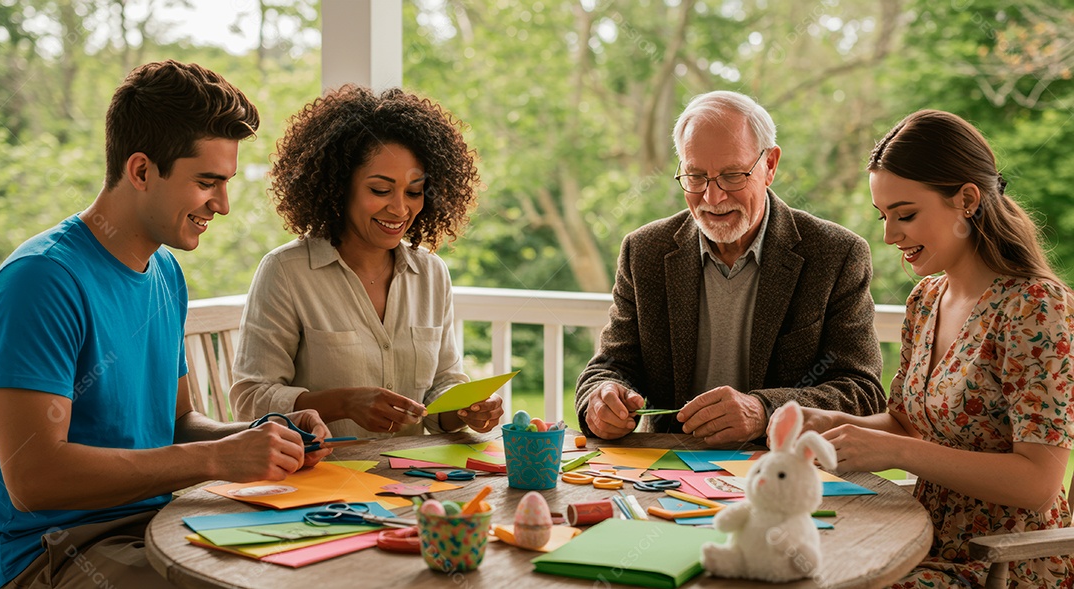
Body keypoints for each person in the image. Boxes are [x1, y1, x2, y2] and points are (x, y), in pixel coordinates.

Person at [0, 60, 333, 588]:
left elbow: (178, 424)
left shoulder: (166, 273)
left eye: (225, 183)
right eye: (207, 182)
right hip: (54, 553)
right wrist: (215, 459)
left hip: (160, 525)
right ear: (141, 171)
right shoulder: (42, 280)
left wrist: (265, 436)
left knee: (324, 558)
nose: (222, 205)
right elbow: (33, 480)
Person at [800, 109, 1074, 588]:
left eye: (905, 215)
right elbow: (909, 423)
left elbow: (1038, 483)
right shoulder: (926, 299)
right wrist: (834, 424)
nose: (889, 235)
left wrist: (896, 451)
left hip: (1004, 564)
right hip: (919, 540)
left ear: (967, 200)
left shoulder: (1035, 307)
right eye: (883, 216)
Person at [576, 90, 885, 446]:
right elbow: (610, 366)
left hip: (785, 467)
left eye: (732, 175)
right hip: (667, 468)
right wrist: (601, 399)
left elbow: (862, 392)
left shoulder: (836, 254)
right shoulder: (645, 251)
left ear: (770, 165)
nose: (713, 198)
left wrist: (764, 411)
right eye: (695, 177)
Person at [229, 85, 502, 438]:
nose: (400, 209)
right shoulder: (286, 271)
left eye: (414, 191)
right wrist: (343, 404)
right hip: (324, 468)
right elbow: (250, 401)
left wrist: (467, 409)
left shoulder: (431, 274)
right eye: (380, 190)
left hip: (412, 469)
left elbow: (441, 386)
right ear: (339, 186)